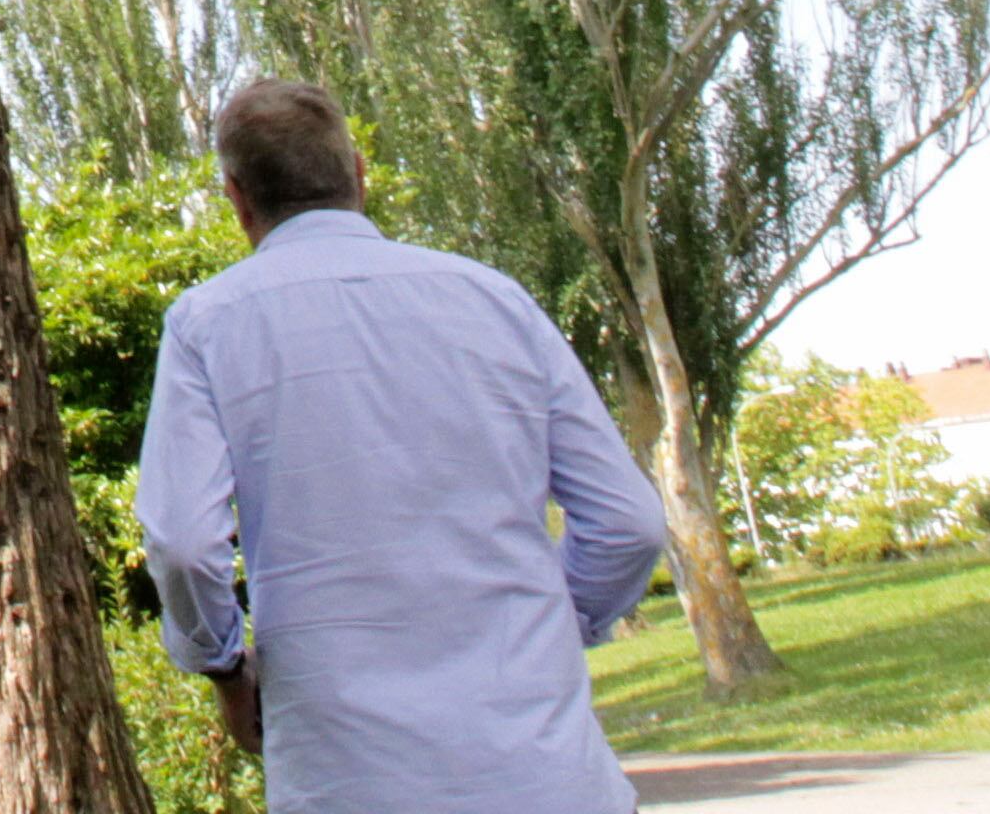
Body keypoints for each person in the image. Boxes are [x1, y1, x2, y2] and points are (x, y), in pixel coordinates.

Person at [136, 79, 671, 814]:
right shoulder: (496, 301)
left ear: (236, 200)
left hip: (350, 781)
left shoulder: (207, 327)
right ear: (357, 175)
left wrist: (226, 670)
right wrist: (553, 626)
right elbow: (630, 523)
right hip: (551, 779)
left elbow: (186, 546)